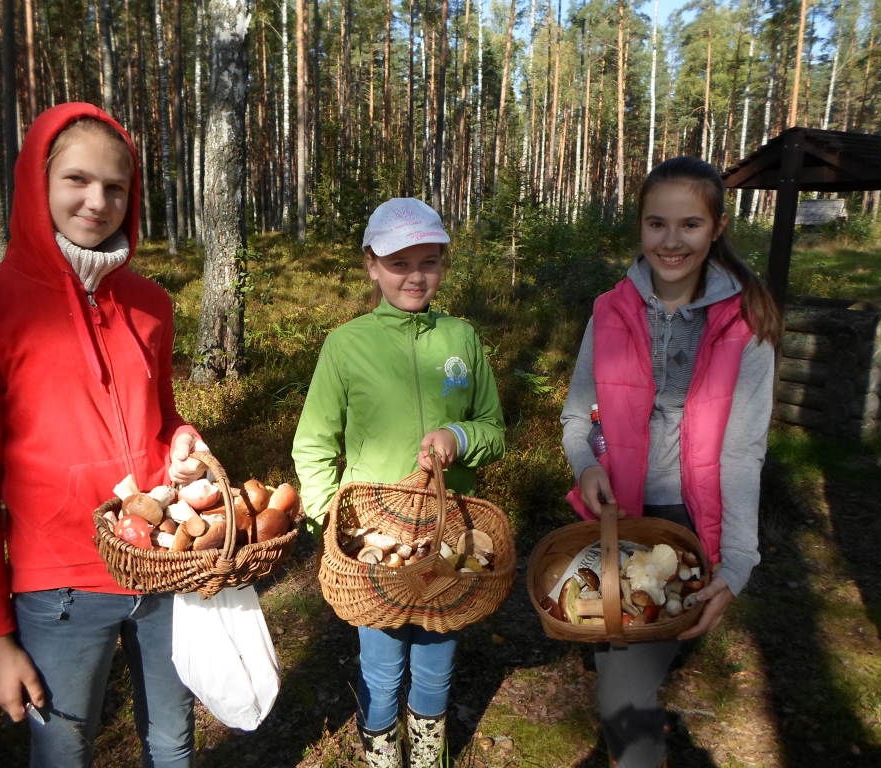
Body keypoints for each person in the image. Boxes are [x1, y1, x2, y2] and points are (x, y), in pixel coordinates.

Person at [0, 103, 208, 768]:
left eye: (116, 187)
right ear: (38, 181)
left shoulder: (150, 304)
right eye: (77, 181)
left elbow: (162, 414)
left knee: (173, 742)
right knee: (64, 752)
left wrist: (183, 439)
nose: (97, 201)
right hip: (57, 590)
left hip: (161, 565)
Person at [559, 157, 781, 768]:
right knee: (615, 672)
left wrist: (736, 565)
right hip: (614, 525)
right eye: (657, 223)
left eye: (689, 224)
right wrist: (586, 467)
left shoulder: (747, 325)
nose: (671, 240)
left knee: (622, 696)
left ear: (717, 227)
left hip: (689, 526)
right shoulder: (609, 311)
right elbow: (578, 419)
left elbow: (743, 451)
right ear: (640, 226)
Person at [292, 198, 506, 768]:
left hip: (452, 531)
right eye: (398, 262)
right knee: (382, 663)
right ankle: (383, 755)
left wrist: (460, 438)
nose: (415, 275)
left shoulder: (462, 339)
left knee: (437, 658)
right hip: (374, 544)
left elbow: (494, 429)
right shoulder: (346, 344)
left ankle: (428, 756)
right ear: (371, 265)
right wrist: (330, 524)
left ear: (442, 265)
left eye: (429, 261)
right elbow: (313, 443)